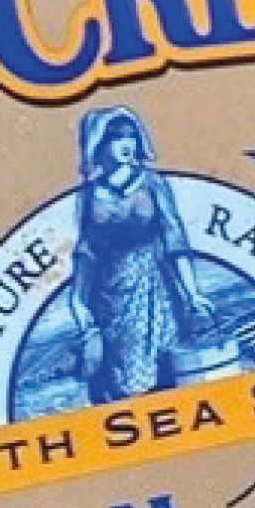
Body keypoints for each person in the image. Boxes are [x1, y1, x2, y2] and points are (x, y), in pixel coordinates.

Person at [63, 105, 216, 404]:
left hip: (156, 291)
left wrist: (193, 292)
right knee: (119, 386)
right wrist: (78, 299)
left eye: (131, 136)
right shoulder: (88, 196)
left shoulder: (152, 183)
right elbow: (87, 251)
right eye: (116, 137)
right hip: (108, 300)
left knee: (167, 373)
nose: (126, 144)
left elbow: (175, 237)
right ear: (99, 144)